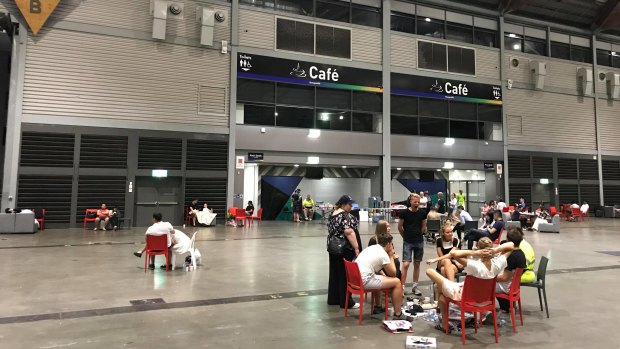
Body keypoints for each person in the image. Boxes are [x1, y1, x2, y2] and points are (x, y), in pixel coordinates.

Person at [425, 239, 515, 323]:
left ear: (479, 249)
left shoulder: (474, 266)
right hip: (484, 299)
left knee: (431, 273)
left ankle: (444, 324)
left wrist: (475, 252)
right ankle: (446, 315)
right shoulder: (497, 264)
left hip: (467, 297)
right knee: (439, 286)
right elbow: (511, 245)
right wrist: (495, 250)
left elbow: (453, 253)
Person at [355, 231, 407, 320]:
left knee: (385, 279)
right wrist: (391, 256)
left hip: (355, 279)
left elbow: (377, 269)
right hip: (364, 281)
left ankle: (379, 306)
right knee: (397, 282)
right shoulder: (383, 254)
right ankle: (398, 314)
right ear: (388, 244)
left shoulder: (372, 248)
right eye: (391, 244)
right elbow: (393, 273)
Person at [327, 195, 362, 309]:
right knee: (345, 275)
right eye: (349, 204)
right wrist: (356, 249)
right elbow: (349, 232)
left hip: (332, 247)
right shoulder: (345, 216)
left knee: (334, 273)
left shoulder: (332, 214)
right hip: (344, 249)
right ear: (343, 204)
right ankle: (346, 301)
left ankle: (334, 299)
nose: (351, 206)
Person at [398, 193, 428, 296]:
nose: (416, 203)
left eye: (418, 201)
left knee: (417, 263)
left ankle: (415, 286)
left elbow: (423, 226)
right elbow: (400, 227)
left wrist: (420, 233)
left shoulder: (423, 213)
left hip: (419, 241)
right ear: (410, 201)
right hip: (408, 241)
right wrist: (405, 236)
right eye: (414, 201)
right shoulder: (404, 213)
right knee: (405, 264)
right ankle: (401, 286)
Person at [496, 227, 527, 313]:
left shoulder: (511, 256)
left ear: (508, 240)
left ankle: (480, 311)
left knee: (484, 284)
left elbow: (504, 278)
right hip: (514, 287)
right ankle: (506, 306)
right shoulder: (521, 253)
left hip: (506, 287)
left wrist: (491, 277)